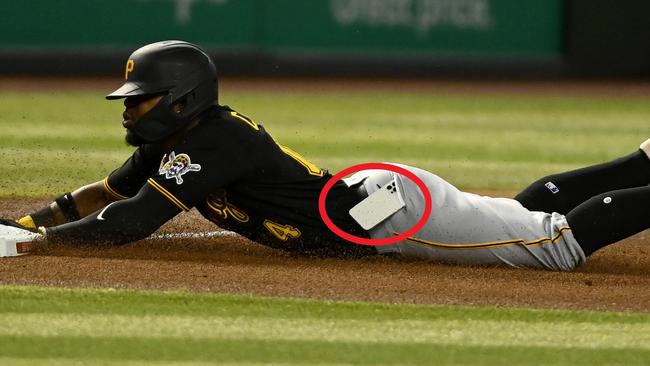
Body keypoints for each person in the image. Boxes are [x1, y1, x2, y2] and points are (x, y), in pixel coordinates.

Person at [2, 40, 650, 271]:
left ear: (182, 98)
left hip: (391, 220)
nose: (128, 109)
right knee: (513, 215)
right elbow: (101, 198)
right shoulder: (173, 142)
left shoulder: (215, 137)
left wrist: (33, 248)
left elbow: (127, 224)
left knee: (553, 245)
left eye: (140, 100)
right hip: (367, 204)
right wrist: (34, 220)